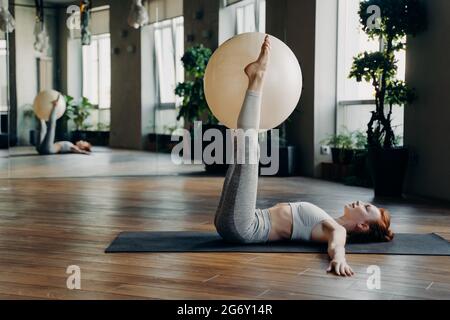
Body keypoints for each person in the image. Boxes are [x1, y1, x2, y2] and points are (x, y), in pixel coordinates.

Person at [214, 35, 394, 277]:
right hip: (240, 221)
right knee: (243, 144)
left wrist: (339, 260)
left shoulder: (336, 230)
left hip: (243, 227)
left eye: (367, 208)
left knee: (248, 145)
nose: (360, 202)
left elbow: (337, 246)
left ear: (362, 225)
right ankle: (256, 77)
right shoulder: (328, 220)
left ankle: (257, 78)